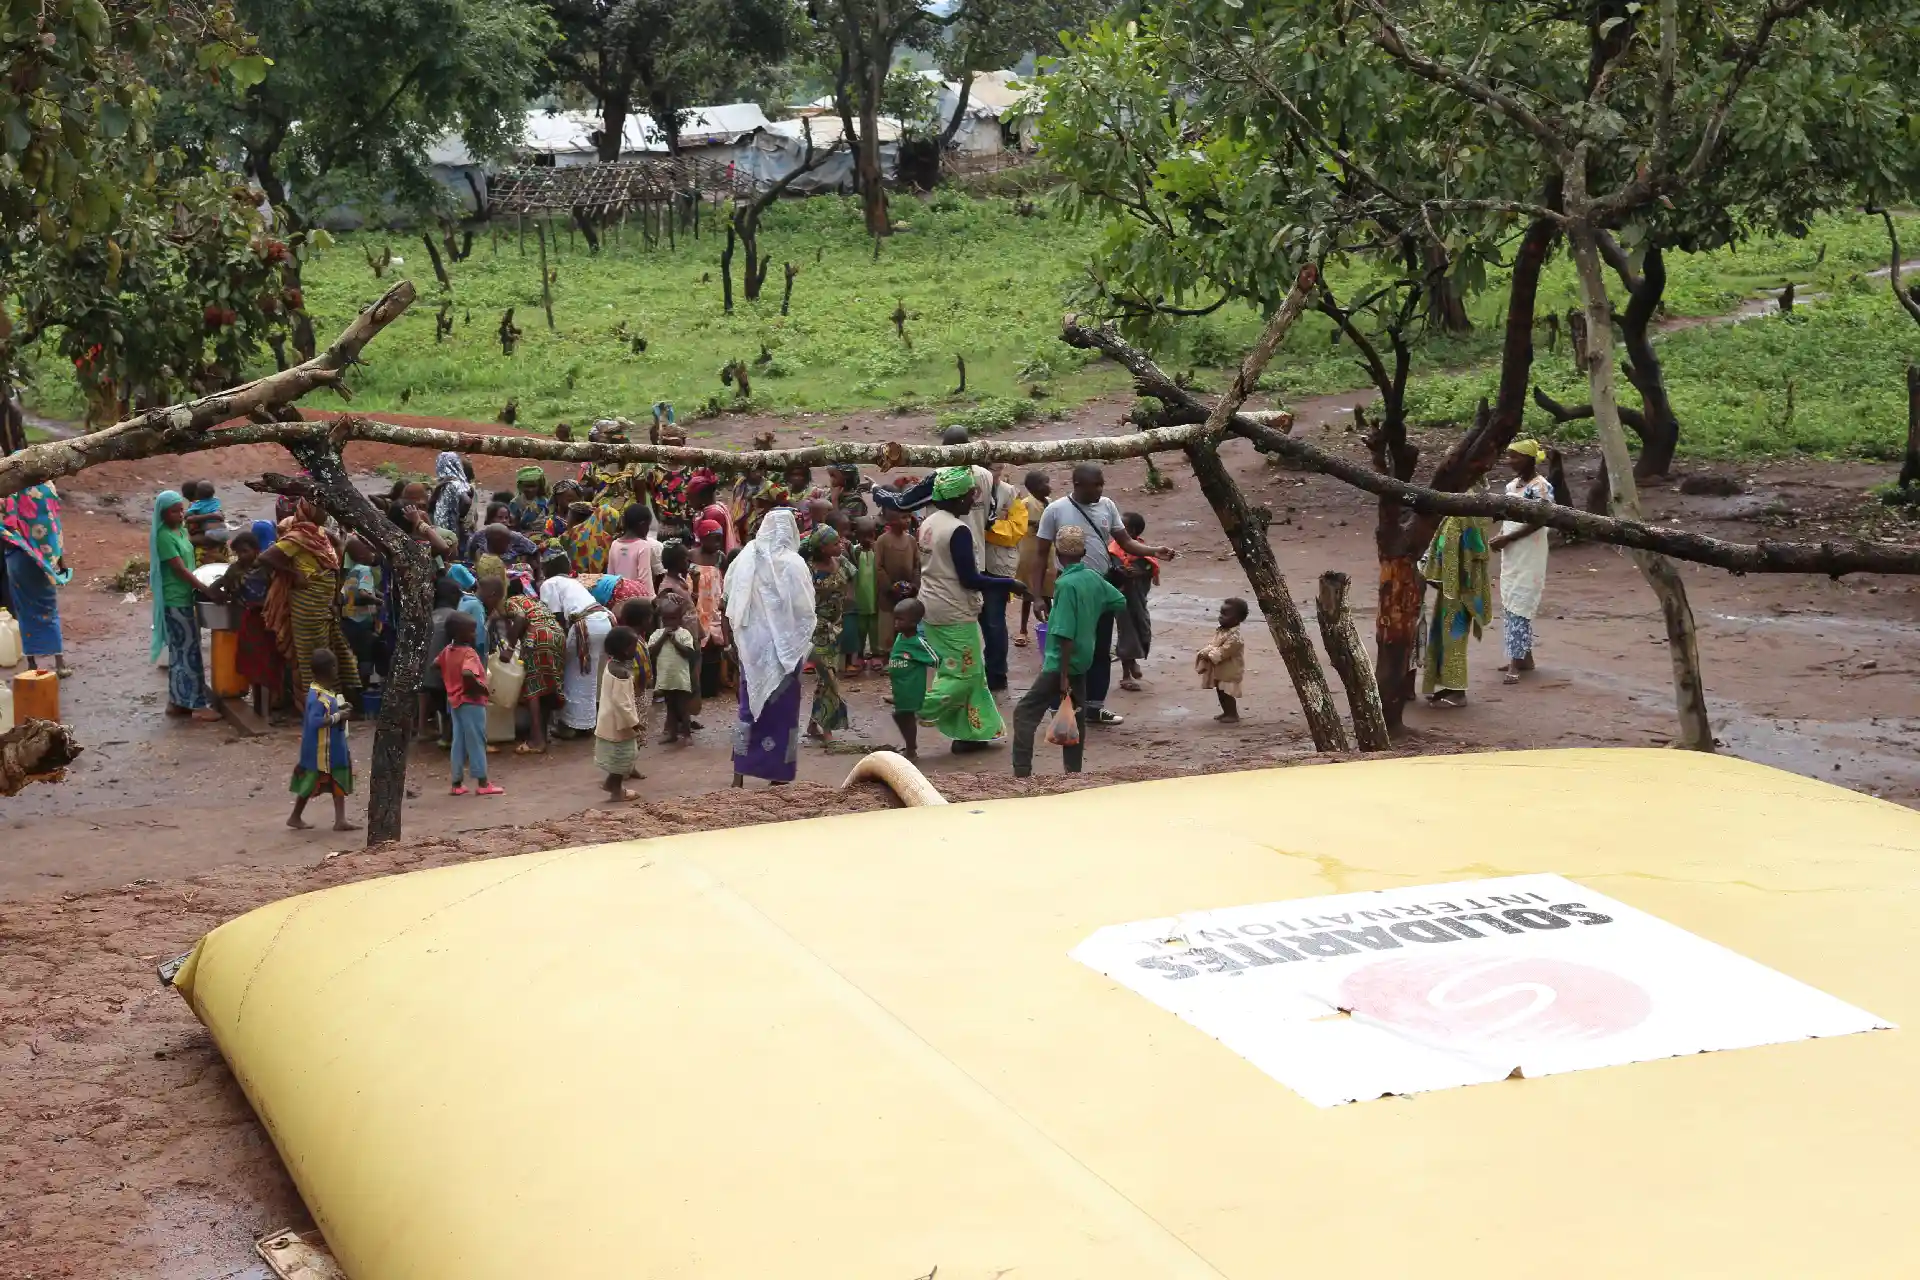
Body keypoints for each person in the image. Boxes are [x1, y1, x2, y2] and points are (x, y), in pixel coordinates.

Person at [1031, 463, 1174, 727]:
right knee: (1068, 648)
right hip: (1070, 588)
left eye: (1101, 484)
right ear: (1077, 485)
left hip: (1101, 585)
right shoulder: (1055, 510)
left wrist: (1154, 551)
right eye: (1094, 485)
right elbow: (1040, 555)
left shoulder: (1107, 505)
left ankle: (1094, 707)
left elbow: (1126, 542)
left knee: (1099, 648)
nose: (1099, 489)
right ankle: (1060, 706)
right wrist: (1038, 596)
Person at [917, 467, 1025, 752]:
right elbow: (970, 579)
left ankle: (972, 734)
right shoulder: (958, 530)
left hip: (931, 603)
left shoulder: (928, 523)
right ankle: (915, 706)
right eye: (968, 494)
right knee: (962, 673)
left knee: (971, 671)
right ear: (955, 497)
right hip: (954, 607)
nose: (972, 500)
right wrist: (1008, 584)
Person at [1011, 525, 1125, 778]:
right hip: (1084, 658)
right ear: (1084, 551)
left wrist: (1062, 677)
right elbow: (1118, 600)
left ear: (1058, 555)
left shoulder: (1065, 585)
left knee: (1024, 713)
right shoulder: (1093, 578)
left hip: (1061, 663)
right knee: (1076, 714)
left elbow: (1063, 633)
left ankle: (1022, 773)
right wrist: (1090, 613)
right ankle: (1073, 772)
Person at [724, 509, 814, 787]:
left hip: (751, 649)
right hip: (784, 650)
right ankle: (778, 775)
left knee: (749, 707)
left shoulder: (744, 559)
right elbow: (805, 609)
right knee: (781, 713)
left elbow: (727, 599)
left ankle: (738, 773)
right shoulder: (794, 564)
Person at [262, 499, 360, 699]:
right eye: (322, 509)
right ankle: (316, 702)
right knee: (313, 655)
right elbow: (266, 558)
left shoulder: (320, 533)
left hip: (324, 603)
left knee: (332, 650)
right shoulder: (297, 537)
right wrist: (294, 573)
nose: (326, 513)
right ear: (310, 511)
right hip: (307, 605)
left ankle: (333, 698)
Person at [149, 490, 221, 722]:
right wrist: (206, 588)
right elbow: (180, 569)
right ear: (163, 513)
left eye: (182, 510)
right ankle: (197, 706)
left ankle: (177, 702)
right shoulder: (163, 537)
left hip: (185, 597)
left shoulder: (178, 531)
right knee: (187, 653)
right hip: (176, 600)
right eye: (175, 511)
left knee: (182, 651)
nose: (181, 514)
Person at [1489, 440, 1555, 684]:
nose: (1510, 461)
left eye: (1515, 457)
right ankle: (1524, 657)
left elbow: (1541, 520)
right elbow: (1509, 517)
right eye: (1509, 456)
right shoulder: (1512, 486)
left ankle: (1515, 664)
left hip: (1530, 550)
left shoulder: (1541, 487)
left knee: (1521, 599)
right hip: (1513, 550)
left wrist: (1509, 537)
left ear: (1529, 459)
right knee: (1510, 598)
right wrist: (1502, 535)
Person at [0, 480, 72, 677]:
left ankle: (31, 664)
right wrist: (60, 562)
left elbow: (7, 527)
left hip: (17, 557)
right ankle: (60, 663)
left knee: (23, 609)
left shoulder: (9, 490)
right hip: (45, 557)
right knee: (49, 608)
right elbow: (54, 525)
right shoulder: (47, 487)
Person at [1420, 514, 1492, 708]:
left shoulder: (1463, 513)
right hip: (1453, 587)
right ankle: (1450, 685)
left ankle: (1458, 692)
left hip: (1462, 587)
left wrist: (1433, 574)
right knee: (1441, 635)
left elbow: (1460, 551)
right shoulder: (1457, 511)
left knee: (1453, 638)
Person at [288, 647, 357, 831]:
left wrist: (341, 708)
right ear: (331, 669)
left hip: (332, 748)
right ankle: (295, 816)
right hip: (321, 751)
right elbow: (316, 721)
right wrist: (339, 716)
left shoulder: (322, 691)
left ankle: (340, 820)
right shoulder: (317, 697)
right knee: (311, 782)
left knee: (338, 779)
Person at [541, 570, 614, 739]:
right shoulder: (573, 582)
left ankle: (571, 725)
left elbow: (557, 617)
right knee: (591, 676)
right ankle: (589, 723)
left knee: (574, 674)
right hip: (604, 620)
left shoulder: (549, 583)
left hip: (586, 625)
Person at [439, 611, 502, 795]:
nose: (475, 635)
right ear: (460, 634)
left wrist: (450, 680)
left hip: (455, 702)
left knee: (458, 742)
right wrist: (480, 687)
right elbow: (467, 673)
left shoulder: (447, 651)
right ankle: (483, 783)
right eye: (472, 631)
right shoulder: (469, 653)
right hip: (472, 702)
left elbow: (437, 664)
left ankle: (456, 783)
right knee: (477, 741)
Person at [222, 528, 282, 718]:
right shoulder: (234, 570)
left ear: (257, 550)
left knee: (270, 663)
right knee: (254, 666)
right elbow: (223, 588)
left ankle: (270, 707)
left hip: (268, 621)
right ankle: (260, 709)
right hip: (248, 622)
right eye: (238, 552)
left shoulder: (267, 568)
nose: (241, 556)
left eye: (245, 551)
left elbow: (277, 591)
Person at [498, 590, 566, 754]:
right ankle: (541, 733)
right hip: (557, 635)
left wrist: (509, 648)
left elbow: (521, 617)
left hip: (538, 636)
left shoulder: (510, 602)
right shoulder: (534, 602)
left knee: (533, 686)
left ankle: (536, 740)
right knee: (547, 683)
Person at [980, 465, 1026, 691]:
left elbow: (1017, 530)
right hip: (972, 563)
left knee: (994, 622)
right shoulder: (970, 488)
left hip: (997, 566)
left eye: (996, 472)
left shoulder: (1010, 493)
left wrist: (987, 527)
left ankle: (997, 674)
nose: (993, 477)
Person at [802, 526, 850, 741]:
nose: (840, 546)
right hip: (817, 627)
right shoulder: (808, 570)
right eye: (834, 543)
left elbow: (850, 589)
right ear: (822, 548)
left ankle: (813, 725)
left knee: (826, 676)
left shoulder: (843, 563)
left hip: (836, 626)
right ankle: (827, 729)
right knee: (828, 675)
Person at [1109, 511, 1160, 691]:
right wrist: (1121, 572)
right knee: (1126, 632)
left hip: (1138, 600)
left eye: (1123, 527)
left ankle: (1133, 661)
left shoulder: (1141, 550)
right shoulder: (1113, 549)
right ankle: (1126, 675)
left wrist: (1139, 572)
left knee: (1142, 628)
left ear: (1133, 531)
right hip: (1121, 599)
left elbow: (1149, 567)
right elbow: (1111, 569)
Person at [594, 625, 645, 801]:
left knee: (619, 757)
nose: (635, 649)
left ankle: (613, 785)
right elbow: (622, 703)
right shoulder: (621, 673)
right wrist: (634, 722)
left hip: (609, 720)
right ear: (625, 649)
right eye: (633, 646)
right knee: (625, 755)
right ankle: (616, 790)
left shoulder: (611, 666)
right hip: (619, 724)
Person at [886, 596, 938, 759]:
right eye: (895, 619)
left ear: (914, 622)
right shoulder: (901, 637)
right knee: (901, 715)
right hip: (900, 686)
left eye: (900, 620)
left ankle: (911, 749)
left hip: (911, 688)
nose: (896, 623)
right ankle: (910, 747)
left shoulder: (918, 642)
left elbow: (935, 659)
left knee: (903, 716)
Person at [416, 576, 463, 744]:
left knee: (436, 700)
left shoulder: (430, 616)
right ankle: (448, 737)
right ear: (454, 596)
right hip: (440, 676)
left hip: (423, 676)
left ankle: (428, 730)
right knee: (449, 705)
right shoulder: (455, 617)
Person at [872, 506, 919, 661]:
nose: (906, 521)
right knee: (888, 624)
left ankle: (905, 654)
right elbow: (878, 567)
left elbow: (917, 565)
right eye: (903, 517)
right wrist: (889, 587)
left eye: (908, 517)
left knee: (906, 622)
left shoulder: (911, 541)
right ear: (891, 521)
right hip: (889, 594)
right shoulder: (882, 541)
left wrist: (914, 585)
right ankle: (887, 656)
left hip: (907, 593)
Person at [649, 594, 698, 744]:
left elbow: (690, 653)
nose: (669, 623)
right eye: (666, 619)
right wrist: (663, 637)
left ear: (680, 619)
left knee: (682, 707)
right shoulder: (657, 634)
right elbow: (651, 652)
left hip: (680, 678)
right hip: (666, 677)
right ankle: (672, 734)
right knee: (670, 707)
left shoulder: (684, 634)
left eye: (673, 619)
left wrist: (675, 642)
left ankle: (687, 734)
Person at [1013, 469, 1053, 647]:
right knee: (1029, 594)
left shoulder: (1050, 503)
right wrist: (1035, 524)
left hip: (1048, 555)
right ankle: (1023, 630)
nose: (1049, 486)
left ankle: (1051, 626)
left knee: (1047, 592)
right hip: (1030, 554)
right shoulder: (1025, 503)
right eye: (1045, 483)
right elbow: (1018, 523)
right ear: (1035, 487)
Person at [690, 517, 729, 696]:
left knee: (715, 639)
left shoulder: (721, 557)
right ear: (702, 538)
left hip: (713, 602)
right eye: (713, 539)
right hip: (696, 600)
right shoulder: (691, 555)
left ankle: (713, 684)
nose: (717, 543)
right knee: (697, 639)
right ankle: (696, 683)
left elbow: (725, 580)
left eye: (719, 539)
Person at [1196, 598, 1249, 724]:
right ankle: (1226, 712)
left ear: (1236, 619)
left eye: (1225, 614)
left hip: (1229, 670)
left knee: (1227, 693)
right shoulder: (1222, 631)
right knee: (1220, 691)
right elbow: (1215, 644)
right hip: (1221, 669)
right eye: (1220, 613)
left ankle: (1232, 714)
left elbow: (1223, 652)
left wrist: (1208, 654)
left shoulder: (1235, 638)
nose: (1220, 617)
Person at [338, 535, 382, 685]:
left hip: (348, 621)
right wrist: (381, 602)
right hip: (362, 621)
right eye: (371, 552)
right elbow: (364, 593)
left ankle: (356, 686)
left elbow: (345, 595)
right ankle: (364, 688)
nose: (373, 555)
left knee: (354, 655)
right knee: (365, 656)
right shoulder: (365, 570)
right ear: (363, 554)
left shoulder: (352, 571)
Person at [848, 517, 880, 673]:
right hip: (859, 599)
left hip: (875, 598)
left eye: (870, 535)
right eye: (863, 536)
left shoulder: (878, 550)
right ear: (857, 536)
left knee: (875, 629)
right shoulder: (854, 550)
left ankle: (876, 655)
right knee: (859, 629)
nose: (867, 539)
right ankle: (859, 655)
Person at [606, 505, 658, 595]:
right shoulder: (643, 545)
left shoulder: (614, 544)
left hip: (618, 598)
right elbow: (645, 581)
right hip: (637, 600)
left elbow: (610, 576)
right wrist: (652, 601)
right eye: (648, 526)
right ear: (643, 524)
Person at [430, 450, 474, 536]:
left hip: (446, 526)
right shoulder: (460, 484)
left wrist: (459, 517)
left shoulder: (452, 483)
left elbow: (467, 502)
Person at [184, 481, 228, 564]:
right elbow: (221, 518)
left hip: (203, 551)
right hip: (223, 540)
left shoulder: (196, 506)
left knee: (189, 541)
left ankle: (212, 556)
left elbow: (191, 527)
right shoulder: (216, 502)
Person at [507, 466, 551, 534]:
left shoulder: (544, 501)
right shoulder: (516, 503)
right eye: (527, 486)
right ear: (521, 486)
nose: (530, 490)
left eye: (533, 486)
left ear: (539, 486)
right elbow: (512, 526)